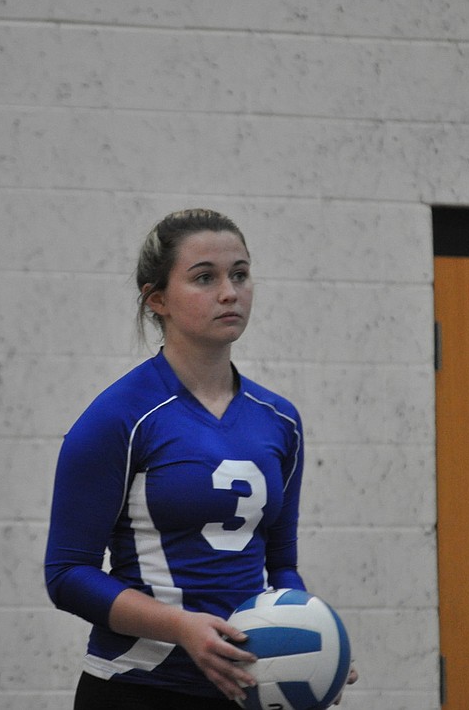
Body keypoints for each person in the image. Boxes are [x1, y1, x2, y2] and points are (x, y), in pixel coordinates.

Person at [45, 208, 356, 708]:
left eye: (240, 274)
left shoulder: (280, 420)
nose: (230, 292)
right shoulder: (120, 417)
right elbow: (66, 575)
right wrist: (182, 628)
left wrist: (314, 643)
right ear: (157, 299)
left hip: (243, 690)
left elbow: (282, 566)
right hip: (138, 688)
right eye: (204, 278)